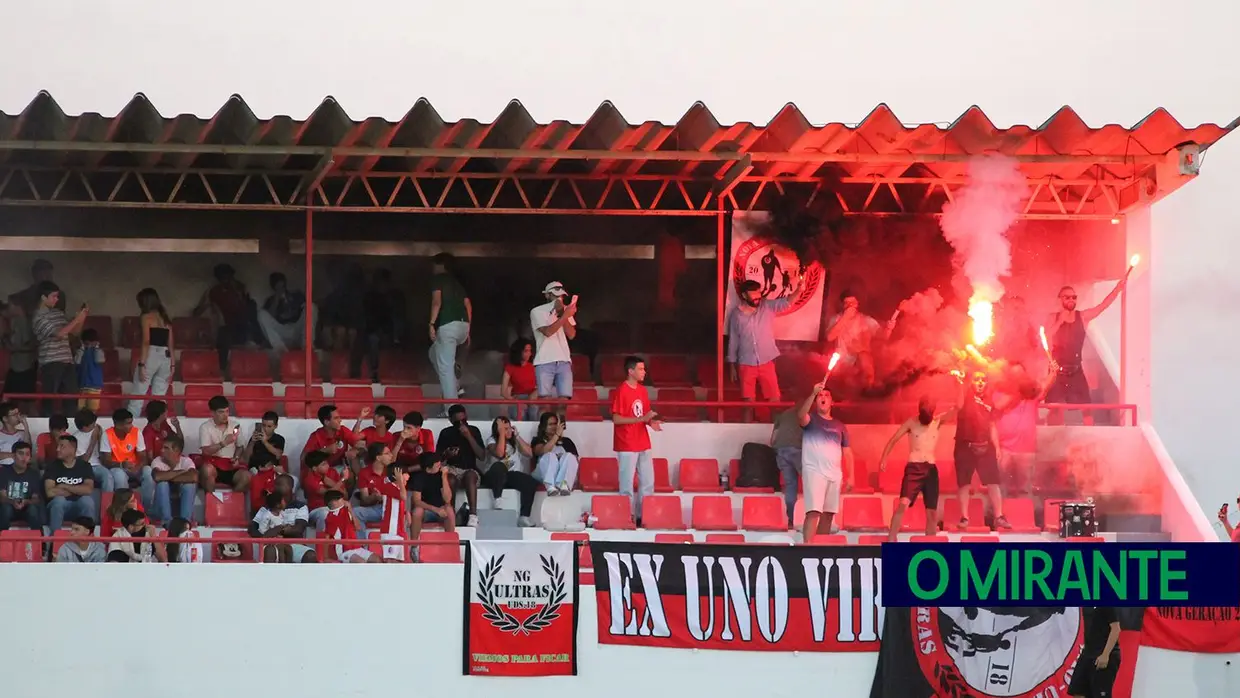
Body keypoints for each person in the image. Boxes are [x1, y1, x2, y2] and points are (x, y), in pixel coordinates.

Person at [1046, 273, 1130, 425]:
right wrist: (1060, 321)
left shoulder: (1082, 317)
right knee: (1055, 407)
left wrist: (1117, 289)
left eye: (1074, 297)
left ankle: (1089, 436)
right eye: (1067, 297)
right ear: (1060, 299)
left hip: (1076, 369)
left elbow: (1102, 306)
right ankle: (1053, 437)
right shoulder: (1053, 317)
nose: (1071, 300)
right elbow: (1046, 337)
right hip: (1056, 370)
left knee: (1086, 407)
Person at [878, 397, 956, 540]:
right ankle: (891, 541)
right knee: (902, 505)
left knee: (932, 512)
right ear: (920, 409)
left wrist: (960, 384)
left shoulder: (937, 421)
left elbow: (958, 408)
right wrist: (884, 457)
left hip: (931, 469)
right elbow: (894, 439)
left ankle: (930, 545)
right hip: (914, 468)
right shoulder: (911, 423)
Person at [796, 380, 854, 542]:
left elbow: (848, 452)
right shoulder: (810, 420)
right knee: (814, 512)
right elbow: (800, 416)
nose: (823, 397)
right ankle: (807, 548)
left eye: (826, 395)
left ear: (832, 402)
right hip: (814, 471)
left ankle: (821, 547)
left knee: (828, 514)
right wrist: (813, 393)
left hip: (835, 474)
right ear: (816, 401)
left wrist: (851, 476)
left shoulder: (840, 426)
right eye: (820, 395)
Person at [955, 370, 1012, 530]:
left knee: (993, 482)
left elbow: (992, 424)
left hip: (986, 445)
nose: (980, 382)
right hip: (964, 445)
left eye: (983, 380)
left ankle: (999, 516)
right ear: (971, 382)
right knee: (964, 483)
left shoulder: (989, 400)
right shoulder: (965, 395)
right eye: (976, 379)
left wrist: (997, 446)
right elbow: (958, 406)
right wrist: (959, 384)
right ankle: (965, 518)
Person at [727, 279, 791, 421]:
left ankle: (777, 433)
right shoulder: (736, 315)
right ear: (744, 295)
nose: (758, 296)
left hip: (767, 361)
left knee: (775, 401)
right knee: (747, 404)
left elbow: (786, 302)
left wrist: (799, 289)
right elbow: (734, 341)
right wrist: (731, 365)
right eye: (753, 293)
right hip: (745, 363)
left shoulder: (767, 307)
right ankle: (746, 433)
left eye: (759, 293)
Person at [611, 356, 663, 525]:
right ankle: (626, 517)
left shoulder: (642, 390)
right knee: (626, 484)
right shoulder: (621, 390)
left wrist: (651, 422)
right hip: (626, 442)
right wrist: (641, 420)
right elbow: (617, 419)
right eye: (640, 369)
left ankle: (644, 517)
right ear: (630, 371)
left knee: (648, 482)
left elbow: (644, 415)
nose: (644, 372)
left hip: (642, 441)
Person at [992, 363, 1056, 498]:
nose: (1018, 377)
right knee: (1001, 488)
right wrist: (1018, 392)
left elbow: (1045, 386)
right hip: (1004, 449)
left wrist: (1053, 372)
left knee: (1025, 490)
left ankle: (1024, 517)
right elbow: (999, 405)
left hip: (1026, 450)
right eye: (1015, 375)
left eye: (1021, 374)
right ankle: (1000, 516)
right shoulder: (1000, 392)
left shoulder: (1031, 394)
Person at [31, 281, 88, 415]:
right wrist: (76, 319)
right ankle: (46, 427)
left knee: (72, 397)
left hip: (67, 360)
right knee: (49, 399)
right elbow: (59, 334)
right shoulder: (38, 317)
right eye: (54, 296)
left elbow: (74, 332)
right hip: (50, 362)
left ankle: (71, 426)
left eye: (57, 296)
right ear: (43, 297)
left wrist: (82, 318)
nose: (57, 299)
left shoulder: (58, 313)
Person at [193, 263, 256, 372]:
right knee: (224, 333)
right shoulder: (214, 291)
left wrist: (239, 294)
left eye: (228, 277)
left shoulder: (240, 288)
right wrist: (209, 304)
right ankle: (221, 369)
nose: (226, 280)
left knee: (232, 331)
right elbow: (196, 313)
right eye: (223, 277)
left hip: (240, 330)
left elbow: (249, 311)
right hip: (223, 332)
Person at [428, 253, 472, 409]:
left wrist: (431, 323)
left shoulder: (438, 279)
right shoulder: (457, 284)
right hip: (463, 326)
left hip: (448, 326)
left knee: (445, 368)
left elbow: (436, 302)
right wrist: (468, 331)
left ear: (440, 265)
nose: (432, 267)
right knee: (434, 353)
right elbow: (468, 305)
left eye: (434, 264)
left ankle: (452, 410)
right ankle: (456, 384)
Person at [484, 416, 539, 527]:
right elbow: (500, 454)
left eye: (509, 428)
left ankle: (524, 516)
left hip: (510, 476)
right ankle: (498, 499)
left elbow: (530, 454)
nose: (508, 431)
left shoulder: (514, 442)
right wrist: (501, 434)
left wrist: (517, 436)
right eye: (505, 429)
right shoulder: (491, 440)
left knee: (530, 481)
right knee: (500, 466)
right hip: (494, 476)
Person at [249, 474, 317, 563]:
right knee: (270, 551)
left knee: (310, 556)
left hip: (294, 544)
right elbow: (252, 528)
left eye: (279, 484)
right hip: (270, 543)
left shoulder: (300, 506)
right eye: (275, 484)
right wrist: (265, 538)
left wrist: (277, 530)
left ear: (290, 487)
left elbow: (298, 529)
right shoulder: (266, 508)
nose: (275, 487)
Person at [530, 282, 578, 405]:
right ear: (547, 295)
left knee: (564, 400)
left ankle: (561, 424)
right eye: (555, 296)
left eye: (561, 296)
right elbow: (548, 332)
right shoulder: (537, 311)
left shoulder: (565, 310)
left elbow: (571, 334)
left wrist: (563, 313)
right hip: (544, 360)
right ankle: (546, 424)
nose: (559, 299)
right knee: (544, 402)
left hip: (564, 360)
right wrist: (564, 316)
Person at [128, 287, 174, 414]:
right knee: (159, 398)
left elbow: (146, 342)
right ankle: (157, 425)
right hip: (166, 357)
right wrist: (173, 364)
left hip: (151, 354)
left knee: (138, 395)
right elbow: (170, 343)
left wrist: (142, 364)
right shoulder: (164, 317)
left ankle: (130, 427)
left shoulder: (146, 317)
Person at [437, 404, 484, 527]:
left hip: (470, 468)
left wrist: (468, 436)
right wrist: (447, 454)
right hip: (452, 468)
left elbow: (482, 456)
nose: (462, 424)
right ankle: (450, 513)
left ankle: (473, 515)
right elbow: (438, 460)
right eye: (458, 422)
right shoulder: (446, 433)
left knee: (470, 476)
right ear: (451, 420)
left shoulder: (474, 430)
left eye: (464, 420)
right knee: (449, 479)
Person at [825, 290, 880, 387]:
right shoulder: (836, 319)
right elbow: (829, 337)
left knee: (864, 357)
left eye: (852, 303)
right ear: (842, 305)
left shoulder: (867, 320)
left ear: (857, 304)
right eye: (846, 303)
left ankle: (869, 388)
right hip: (843, 361)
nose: (849, 306)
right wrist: (845, 318)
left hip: (861, 362)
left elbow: (882, 339)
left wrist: (889, 328)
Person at [43, 434, 96, 532]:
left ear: (72, 449)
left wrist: (64, 486)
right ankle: (54, 541)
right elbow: (50, 492)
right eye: (57, 446)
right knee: (59, 501)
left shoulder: (85, 466)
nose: (57, 449)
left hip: (79, 506)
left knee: (87, 501)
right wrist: (77, 490)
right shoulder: (52, 467)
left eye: (62, 446)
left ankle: (88, 538)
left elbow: (88, 490)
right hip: (58, 507)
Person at [100, 408, 152, 507]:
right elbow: (105, 461)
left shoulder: (136, 432)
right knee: (119, 475)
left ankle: (145, 508)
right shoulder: (107, 434)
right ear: (117, 424)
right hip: (118, 468)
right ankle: (124, 509)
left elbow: (143, 456)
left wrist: (137, 467)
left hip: (135, 467)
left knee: (148, 470)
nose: (131, 426)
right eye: (127, 423)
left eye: (131, 422)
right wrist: (121, 464)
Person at [198, 395, 251, 494]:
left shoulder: (235, 425)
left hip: (230, 465)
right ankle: (212, 503)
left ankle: (230, 503)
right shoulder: (205, 427)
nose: (225, 415)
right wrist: (224, 443)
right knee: (207, 470)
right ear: (212, 413)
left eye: (227, 411)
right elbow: (206, 451)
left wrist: (236, 457)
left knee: (246, 476)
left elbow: (240, 447)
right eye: (221, 412)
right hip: (213, 464)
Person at [1068, 607, 1122, 698]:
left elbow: (1116, 629)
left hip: (1103, 653)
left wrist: (1105, 655)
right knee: (1078, 691)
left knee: (1099, 694)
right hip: (1088, 653)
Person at [301, 404, 366, 478]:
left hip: (338, 467)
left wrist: (356, 451)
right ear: (326, 422)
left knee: (349, 475)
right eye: (336, 418)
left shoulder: (343, 430)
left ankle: (361, 485)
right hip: (321, 472)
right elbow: (303, 458)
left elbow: (358, 443)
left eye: (339, 417)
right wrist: (324, 450)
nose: (340, 420)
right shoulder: (316, 436)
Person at [258, 272, 313, 354]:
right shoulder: (270, 301)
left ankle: (307, 346)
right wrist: (277, 298)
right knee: (261, 314)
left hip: (297, 329)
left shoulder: (296, 295)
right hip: (282, 332)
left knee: (311, 307)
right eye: (277, 285)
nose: (281, 287)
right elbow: (269, 317)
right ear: (273, 287)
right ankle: (280, 350)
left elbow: (305, 311)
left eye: (282, 285)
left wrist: (293, 307)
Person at [1, 299, 38, 415]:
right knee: (8, 397)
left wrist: (10, 346)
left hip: (24, 367)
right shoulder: (15, 322)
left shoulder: (23, 321)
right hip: (17, 366)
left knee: (27, 400)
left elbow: (29, 344)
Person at [410, 452, 457, 543]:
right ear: (428, 468)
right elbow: (417, 501)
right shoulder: (419, 477)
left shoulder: (441, 474)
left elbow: (447, 499)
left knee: (449, 510)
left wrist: (444, 476)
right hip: (426, 510)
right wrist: (435, 509)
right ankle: (414, 545)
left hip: (441, 509)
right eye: (436, 463)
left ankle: (450, 545)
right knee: (417, 511)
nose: (439, 464)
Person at [150, 434, 198, 524]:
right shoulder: (157, 461)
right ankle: (167, 522)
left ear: (176, 451)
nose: (161, 450)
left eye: (166, 448)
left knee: (189, 486)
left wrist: (167, 476)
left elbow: (193, 477)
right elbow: (157, 477)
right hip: (158, 509)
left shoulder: (186, 461)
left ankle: (185, 523)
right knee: (162, 484)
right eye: (162, 447)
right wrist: (181, 472)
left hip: (179, 505)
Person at [531, 412, 580, 495]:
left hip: (561, 473)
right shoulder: (538, 440)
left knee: (569, 456)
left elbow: (574, 462)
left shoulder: (567, 441)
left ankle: (564, 484)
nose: (554, 427)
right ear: (544, 427)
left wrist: (561, 459)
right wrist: (557, 435)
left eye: (555, 424)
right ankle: (550, 486)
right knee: (550, 455)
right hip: (542, 473)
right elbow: (543, 451)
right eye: (550, 424)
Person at [770, 407, 803, 528]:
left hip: (781, 450)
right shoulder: (808, 414)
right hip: (799, 450)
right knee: (811, 485)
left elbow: (772, 440)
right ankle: (810, 519)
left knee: (790, 486)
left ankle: (792, 520)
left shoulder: (783, 414)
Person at [0, 441, 45, 531]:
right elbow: (2, 497)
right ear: (13, 456)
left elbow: (36, 498)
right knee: (5, 508)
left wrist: (25, 502)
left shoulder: (34, 474)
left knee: (33, 509)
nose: (24, 458)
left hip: (26, 508)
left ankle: (38, 542)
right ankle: (3, 542)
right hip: (9, 506)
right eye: (21, 454)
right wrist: (13, 502)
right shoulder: (3, 472)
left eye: (27, 454)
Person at [322, 490, 376, 563]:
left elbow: (358, 527)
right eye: (341, 499)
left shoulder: (347, 511)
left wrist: (350, 510)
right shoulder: (330, 517)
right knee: (361, 562)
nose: (344, 501)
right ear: (335, 502)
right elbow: (327, 537)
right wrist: (325, 557)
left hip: (357, 548)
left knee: (377, 560)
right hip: (344, 551)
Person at [348, 444, 391, 529]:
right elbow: (365, 499)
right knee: (356, 512)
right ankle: (362, 542)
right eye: (387, 453)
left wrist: (385, 497)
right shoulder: (364, 473)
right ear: (378, 458)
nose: (391, 455)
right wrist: (374, 497)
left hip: (391, 508)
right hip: (375, 509)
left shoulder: (391, 471)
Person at [376, 458, 411, 562]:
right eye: (405, 474)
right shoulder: (389, 486)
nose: (408, 477)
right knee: (390, 561)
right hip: (390, 531)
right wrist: (400, 481)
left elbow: (399, 503)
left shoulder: (400, 488)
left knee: (399, 562)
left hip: (398, 531)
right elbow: (403, 497)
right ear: (397, 475)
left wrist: (406, 512)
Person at [501, 338, 539, 421]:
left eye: (530, 351)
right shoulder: (510, 367)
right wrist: (516, 402)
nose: (529, 354)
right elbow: (503, 392)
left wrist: (535, 393)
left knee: (534, 412)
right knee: (518, 414)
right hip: (517, 398)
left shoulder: (534, 367)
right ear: (519, 352)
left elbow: (542, 386)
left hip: (532, 398)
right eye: (526, 351)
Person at [73, 327, 106, 411]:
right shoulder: (80, 351)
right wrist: (82, 349)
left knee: (92, 409)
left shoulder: (99, 351)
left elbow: (100, 360)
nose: (90, 345)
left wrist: (96, 348)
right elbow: (77, 361)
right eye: (87, 342)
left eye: (92, 342)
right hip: (81, 385)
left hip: (95, 386)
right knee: (80, 409)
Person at [0, 401, 32, 466]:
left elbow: (28, 451)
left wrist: (26, 426)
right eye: (15, 415)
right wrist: (14, 455)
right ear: (5, 419)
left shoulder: (23, 433)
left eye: (18, 414)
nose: (18, 417)